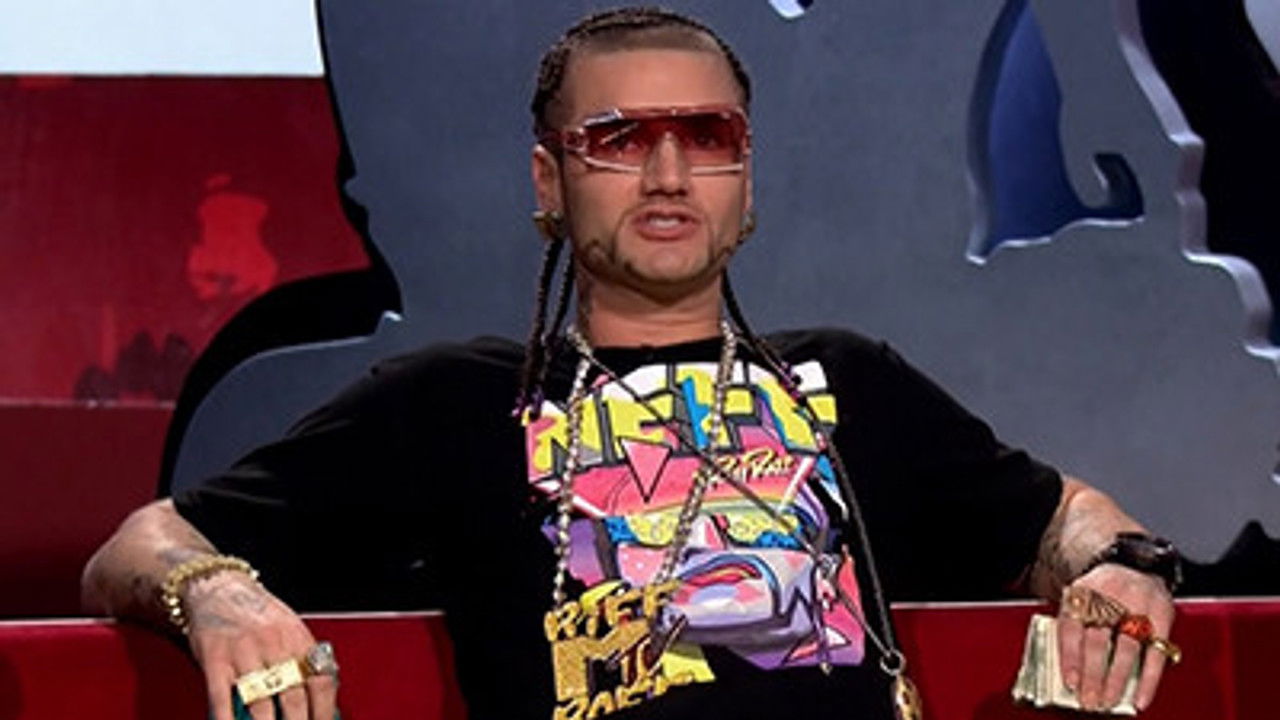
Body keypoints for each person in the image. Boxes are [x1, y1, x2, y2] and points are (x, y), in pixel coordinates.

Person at [82, 7, 1180, 720]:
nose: (665, 172)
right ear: (549, 183)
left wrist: (1118, 563)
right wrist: (215, 593)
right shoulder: (454, 403)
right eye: (616, 139)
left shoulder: (852, 382)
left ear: (743, 182)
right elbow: (141, 544)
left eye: (706, 137)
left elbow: (1058, 518)